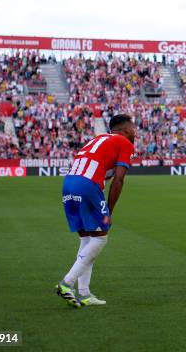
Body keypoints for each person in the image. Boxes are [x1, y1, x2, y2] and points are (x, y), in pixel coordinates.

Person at [55, 114, 136, 308]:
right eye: (133, 128)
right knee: (100, 238)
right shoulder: (124, 143)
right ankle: (67, 283)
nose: (135, 132)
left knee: (87, 240)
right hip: (87, 184)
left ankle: (84, 293)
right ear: (125, 130)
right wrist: (109, 210)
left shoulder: (98, 139)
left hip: (69, 183)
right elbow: (119, 179)